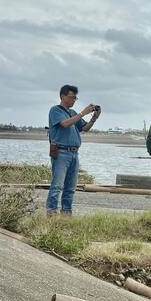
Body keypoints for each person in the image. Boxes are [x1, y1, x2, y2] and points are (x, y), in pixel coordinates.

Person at [45, 84, 101, 216]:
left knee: (70, 187)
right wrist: (83, 113)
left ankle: (66, 213)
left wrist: (94, 118)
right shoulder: (55, 110)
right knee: (57, 185)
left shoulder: (73, 113)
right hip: (61, 152)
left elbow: (84, 128)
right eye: (71, 97)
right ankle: (51, 212)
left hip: (74, 153)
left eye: (75, 98)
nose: (73, 100)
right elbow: (65, 124)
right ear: (62, 96)